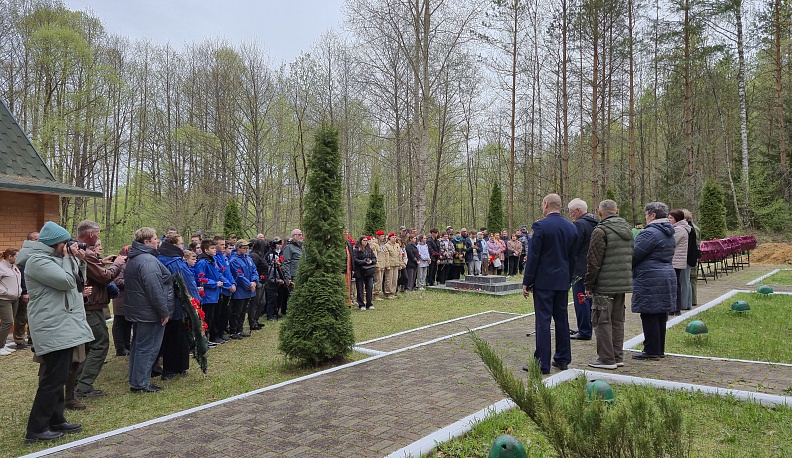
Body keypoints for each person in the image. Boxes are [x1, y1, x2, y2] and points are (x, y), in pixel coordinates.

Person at [18, 221, 93, 444]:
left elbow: (78, 283)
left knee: (60, 376)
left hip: (62, 325)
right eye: (65, 242)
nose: (68, 246)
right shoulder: (37, 261)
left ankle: (56, 419)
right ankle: (36, 429)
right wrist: (70, 258)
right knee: (52, 379)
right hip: (52, 326)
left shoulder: (55, 258)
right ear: (54, 243)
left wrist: (79, 261)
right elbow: (65, 282)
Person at [522, 194, 579, 375]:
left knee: (543, 321)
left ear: (546, 204)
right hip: (562, 280)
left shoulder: (540, 226)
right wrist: (568, 279)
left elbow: (534, 256)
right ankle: (563, 358)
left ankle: (542, 363)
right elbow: (572, 258)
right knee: (562, 320)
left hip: (544, 281)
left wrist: (527, 281)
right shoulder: (571, 227)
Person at [75, 220, 126, 399]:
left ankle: (77, 383)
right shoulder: (87, 254)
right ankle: (83, 386)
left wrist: (101, 262)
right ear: (91, 234)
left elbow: (91, 272)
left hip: (88, 304)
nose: (98, 237)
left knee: (89, 344)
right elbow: (104, 277)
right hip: (91, 306)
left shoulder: (81, 252)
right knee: (100, 343)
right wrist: (117, 264)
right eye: (97, 234)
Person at [584, 200, 634, 370]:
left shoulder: (600, 230)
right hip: (622, 283)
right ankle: (617, 356)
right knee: (617, 321)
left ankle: (606, 359)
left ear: (600, 213)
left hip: (604, 285)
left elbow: (593, 261)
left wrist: (588, 284)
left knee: (602, 321)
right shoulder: (627, 229)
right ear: (617, 211)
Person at [125, 227, 174, 393]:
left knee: (139, 346)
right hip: (149, 312)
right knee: (147, 348)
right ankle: (140, 383)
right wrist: (164, 311)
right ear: (146, 242)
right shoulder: (147, 261)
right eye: (154, 238)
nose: (157, 241)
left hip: (140, 310)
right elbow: (154, 289)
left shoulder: (135, 258)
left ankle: (137, 380)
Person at [631, 202, 676, 360]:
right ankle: (658, 349)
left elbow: (634, 254)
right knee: (660, 314)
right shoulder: (668, 232)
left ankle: (651, 349)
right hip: (666, 274)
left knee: (649, 313)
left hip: (650, 276)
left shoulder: (649, 233)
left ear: (653, 215)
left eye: (646, 214)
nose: (645, 217)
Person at [157, 234, 197, 379]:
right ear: (174, 245)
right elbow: (186, 283)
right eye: (180, 244)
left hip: (169, 303)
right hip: (177, 304)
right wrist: (195, 302)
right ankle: (172, 369)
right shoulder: (174, 262)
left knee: (174, 336)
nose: (182, 246)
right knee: (176, 337)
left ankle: (179, 367)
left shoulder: (161, 258)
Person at [567, 198, 599, 341]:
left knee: (581, 299)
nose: (571, 215)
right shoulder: (596, 223)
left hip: (580, 268)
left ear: (578, 210)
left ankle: (584, 330)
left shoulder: (579, 224)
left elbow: (574, 245)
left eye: (571, 212)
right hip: (593, 266)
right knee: (589, 299)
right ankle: (587, 327)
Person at [195, 240, 224, 343]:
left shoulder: (212, 260)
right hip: (207, 294)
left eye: (215, 248)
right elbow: (201, 278)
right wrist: (215, 283)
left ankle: (211, 337)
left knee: (212, 317)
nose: (215, 250)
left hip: (214, 293)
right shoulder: (202, 262)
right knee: (206, 317)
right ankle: (204, 340)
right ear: (206, 250)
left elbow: (217, 273)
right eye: (212, 248)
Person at [13, 231, 38, 350]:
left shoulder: (39, 254)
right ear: (30, 240)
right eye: (36, 239)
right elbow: (22, 275)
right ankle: (19, 339)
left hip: (37, 291)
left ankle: (32, 337)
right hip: (26, 291)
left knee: (35, 316)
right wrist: (24, 291)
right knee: (22, 317)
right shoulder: (24, 256)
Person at [228, 240, 258, 338]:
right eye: (244, 248)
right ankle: (234, 330)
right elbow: (239, 276)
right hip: (240, 290)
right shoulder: (234, 260)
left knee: (244, 310)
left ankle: (240, 329)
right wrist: (249, 285)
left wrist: (254, 282)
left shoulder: (248, 258)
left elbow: (254, 270)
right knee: (237, 311)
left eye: (247, 248)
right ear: (238, 248)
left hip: (248, 289)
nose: (246, 250)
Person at [0, 248, 22, 356]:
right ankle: (0, 346)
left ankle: (3, 344)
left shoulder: (14, 267)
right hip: (4, 299)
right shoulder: (1, 267)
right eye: (16, 256)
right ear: (10, 257)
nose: (18, 258)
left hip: (15, 299)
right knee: (7, 322)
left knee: (9, 323)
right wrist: (5, 292)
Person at [669, 209, 691, 315]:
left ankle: (675, 307)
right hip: (677, 260)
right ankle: (675, 307)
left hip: (675, 260)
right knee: (675, 284)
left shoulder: (679, 229)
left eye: (671, 218)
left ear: (676, 219)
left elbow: (671, 242)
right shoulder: (680, 228)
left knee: (674, 284)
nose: (669, 220)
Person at [213, 236, 235, 342]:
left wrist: (233, 283)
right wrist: (228, 285)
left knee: (226, 313)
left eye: (224, 245)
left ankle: (221, 333)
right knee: (219, 314)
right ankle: (216, 335)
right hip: (222, 289)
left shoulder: (224, 257)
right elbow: (219, 274)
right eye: (221, 245)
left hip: (228, 289)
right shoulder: (215, 258)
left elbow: (228, 272)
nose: (223, 247)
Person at [111, 246, 132, 357]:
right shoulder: (120, 265)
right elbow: (117, 281)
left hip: (127, 298)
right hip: (120, 298)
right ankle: (120, 348)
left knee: (127, 323)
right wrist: (133, 282)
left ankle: (127, 345)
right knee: (119, 323)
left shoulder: (129, 264)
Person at [248, 239, 269, 329]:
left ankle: (256, 319)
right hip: (258, 281)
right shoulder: (254, 256)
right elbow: (253, 269)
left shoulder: (259, 256)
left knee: (262, 302)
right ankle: (252, 322)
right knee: (255, 303)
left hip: (262, 281)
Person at [281, 229, 304, 307]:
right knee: (293, 296)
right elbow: (286, 263)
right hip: (294, 276)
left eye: (301, 234)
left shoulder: (301, 247)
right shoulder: (289, 247)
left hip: (301, 274)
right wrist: (288, 277)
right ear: (293, 236)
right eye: (299, 235)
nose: (301, 236)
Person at [353, 236, 377, 310]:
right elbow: (355, 260)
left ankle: (369, 303)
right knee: (360, 288)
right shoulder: (356, 250)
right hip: (360, 271)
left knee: (369, 287)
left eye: (366, 240)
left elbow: (374, 258)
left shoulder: (369, 249)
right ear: (360, 241)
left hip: (369, 271)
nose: (365, 242)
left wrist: (371, 261)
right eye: (364, 240)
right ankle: (361, 304)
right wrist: (364, 262)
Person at [683, 209, 701, 307]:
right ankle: (693, 300)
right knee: (693, 279)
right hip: (695, 255)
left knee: (689, 279)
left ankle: (690, 300)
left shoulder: (690, 229)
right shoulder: (696, 228)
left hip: (690, 256)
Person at [265, 238, 285, 320]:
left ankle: (274, 312)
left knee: (275, 299)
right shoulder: (271, 268)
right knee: (271, 300)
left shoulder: (275, 268)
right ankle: (270, 315)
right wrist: (278, 281)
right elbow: (270, 279)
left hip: (275, 286)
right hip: (271, 286)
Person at [383, 232, 401, 299]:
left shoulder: (397, 245)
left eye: (395, 237)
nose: (394, 238)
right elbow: (386, 256)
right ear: (389, 238)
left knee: (395, 279)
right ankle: (388, 292)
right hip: (390, 265)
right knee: (389, 279)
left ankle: (393, 292)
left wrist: (400, 264)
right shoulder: (386, 246)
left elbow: (399, 255)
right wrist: (387, 265)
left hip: (396, 264)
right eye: (393, 237)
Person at [370, 230, 386, 300]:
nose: (383, 237)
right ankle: (376, 294)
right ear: (378, 236)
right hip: (378, 265)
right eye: (382, 236)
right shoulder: (374, 245)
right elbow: (375, 256)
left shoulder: (382, 245)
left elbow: (384, 254)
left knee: (380, 280)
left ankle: (378, 293)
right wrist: (376, 265)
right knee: (378, 280)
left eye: (383, 236)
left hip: (382, 264)